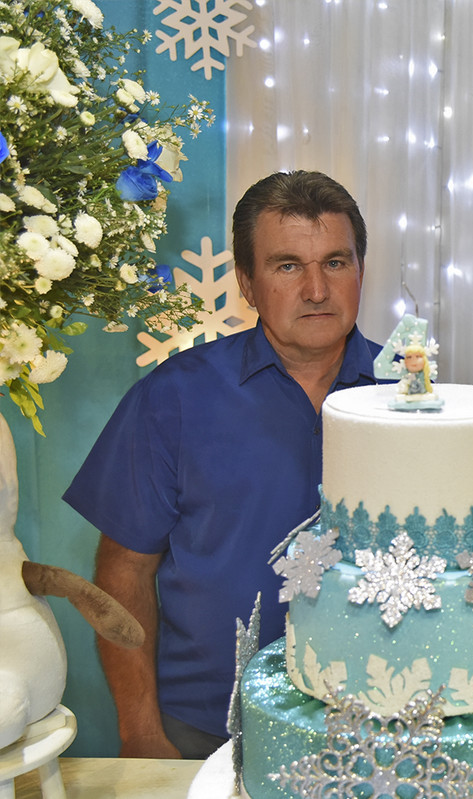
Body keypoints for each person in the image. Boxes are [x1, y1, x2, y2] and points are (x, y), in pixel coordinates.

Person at [63, 170, 387, 759]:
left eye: (336, 263)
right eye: (287, 265)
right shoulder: (175, 396)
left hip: (382, 725)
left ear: (360, 270)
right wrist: (141, 733)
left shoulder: (413, 400)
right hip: (205, 731)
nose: (317, 289)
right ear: (247, 283)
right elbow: (123, 571)